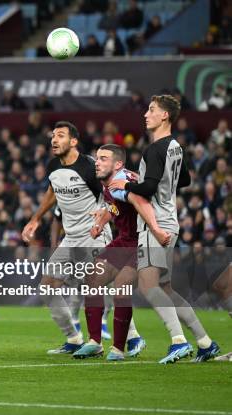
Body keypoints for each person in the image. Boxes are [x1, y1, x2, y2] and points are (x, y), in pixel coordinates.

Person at [109, 95, 220, 363]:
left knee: (148, 286)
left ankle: (178, 341)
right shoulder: (175, 147)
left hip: (155, 223)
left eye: (152, 110)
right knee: (166, 288)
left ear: (165, 116)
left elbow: (147, 189)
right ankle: (205, 342)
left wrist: (126, 185)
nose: (146, 114)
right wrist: (152, 182)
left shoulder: (154, 149)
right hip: (171, 219)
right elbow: (185, 179)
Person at [22, 121, 112, 354]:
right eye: (53, 135)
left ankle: (122, 339)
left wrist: (105, 216)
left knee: (100, 288)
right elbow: (51, 193)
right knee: (47, 288)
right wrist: (35, 218)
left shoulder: (90, 166)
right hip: (71, 238)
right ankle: (74, 339)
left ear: (73, 141)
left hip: (94, 234)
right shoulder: (53, 166)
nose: (54, 139)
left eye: (60, 135)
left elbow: (112, 191)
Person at [72, 144, 165, 360]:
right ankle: (95, 342)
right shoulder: (110, 184)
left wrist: (157, 231)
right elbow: (115, 207)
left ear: (118, 164)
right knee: (93, 278)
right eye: (97, 158)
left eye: (103, 158)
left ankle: (118, 349)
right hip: (124, 240)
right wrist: (101, 222)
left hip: (142, 240)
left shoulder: (121, 184)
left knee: (122, 286)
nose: (97, 162)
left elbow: (141, 203)